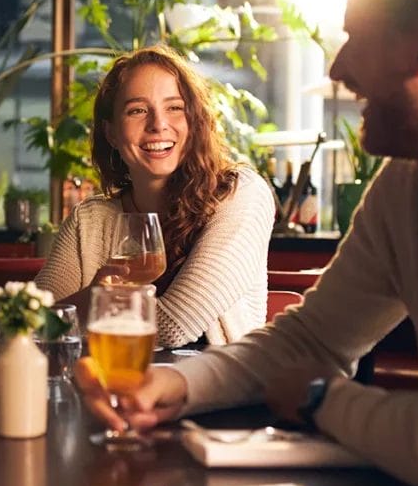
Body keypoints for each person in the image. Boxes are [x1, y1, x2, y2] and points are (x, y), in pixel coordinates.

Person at [77, 0, 418, 486]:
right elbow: (307, 342)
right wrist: (170, 385)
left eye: (358, 36)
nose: (338, 67)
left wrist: (322, 399)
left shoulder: (246, 192)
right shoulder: (404, 189)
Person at [36, 45, 273, 348]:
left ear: (194, 120)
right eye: (137, 110)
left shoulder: (242, 195)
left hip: (215, 379)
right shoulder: (90, 220)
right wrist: (93, 297)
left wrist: (97, 301)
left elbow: (174, 326)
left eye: (175, 107)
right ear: (111, 133)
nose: (158, 124)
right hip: (110, 376)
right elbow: (30, 324)